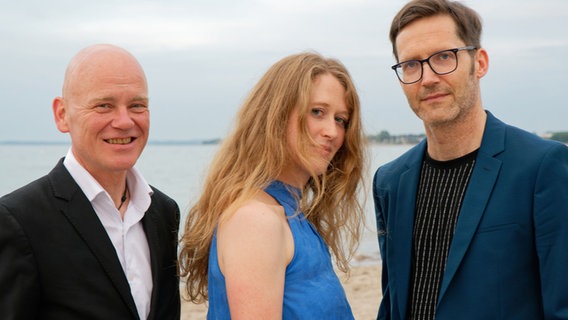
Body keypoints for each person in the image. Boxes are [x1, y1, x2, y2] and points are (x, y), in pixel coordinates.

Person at [373, 0, 568, 319]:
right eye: (411, 64)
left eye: (444, 57)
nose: (427, 78)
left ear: (479, 63)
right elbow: (393, 302)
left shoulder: (541, 166)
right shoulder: (390, 181)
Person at [178, 52, 366, 319]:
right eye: (317, 112)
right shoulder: (256, 219)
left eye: (340, 120)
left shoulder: (291, 214)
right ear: (276, 114)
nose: (332, 132)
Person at [0, 44, 180, 319]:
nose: (124, 121)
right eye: (104, 105)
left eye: (137, 105)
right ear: (62, 114)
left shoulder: (164, 212)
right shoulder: (17, 220)